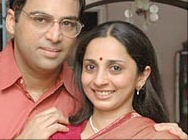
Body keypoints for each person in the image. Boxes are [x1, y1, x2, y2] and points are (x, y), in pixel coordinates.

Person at [0, 0, 186, 139]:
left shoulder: (90, 93)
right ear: (12, 21)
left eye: (68, 23)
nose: (55, 35)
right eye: (41, 20)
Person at [50, 20, 187, 139]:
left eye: (115, 68)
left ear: (142, 76)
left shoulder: (155, 137)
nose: (99, 80)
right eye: (91, 67)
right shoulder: (59, 134)